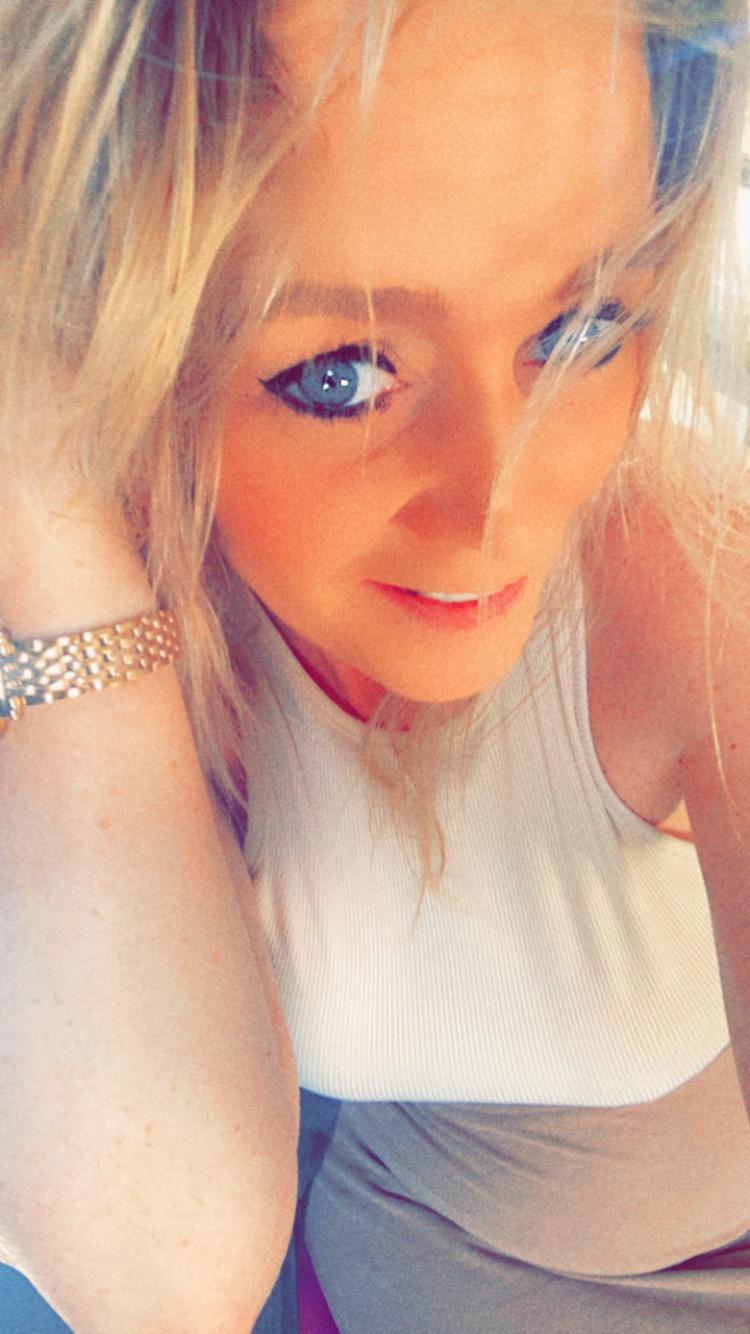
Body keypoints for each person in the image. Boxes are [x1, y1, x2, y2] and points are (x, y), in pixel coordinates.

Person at [0, 1, 749, 1331]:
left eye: (580, 327)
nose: (493, 510)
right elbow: (156, 1279)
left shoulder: (694, 567)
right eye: (341, 374)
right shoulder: (108, 577)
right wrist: (50, 504)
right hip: (373, 1243)